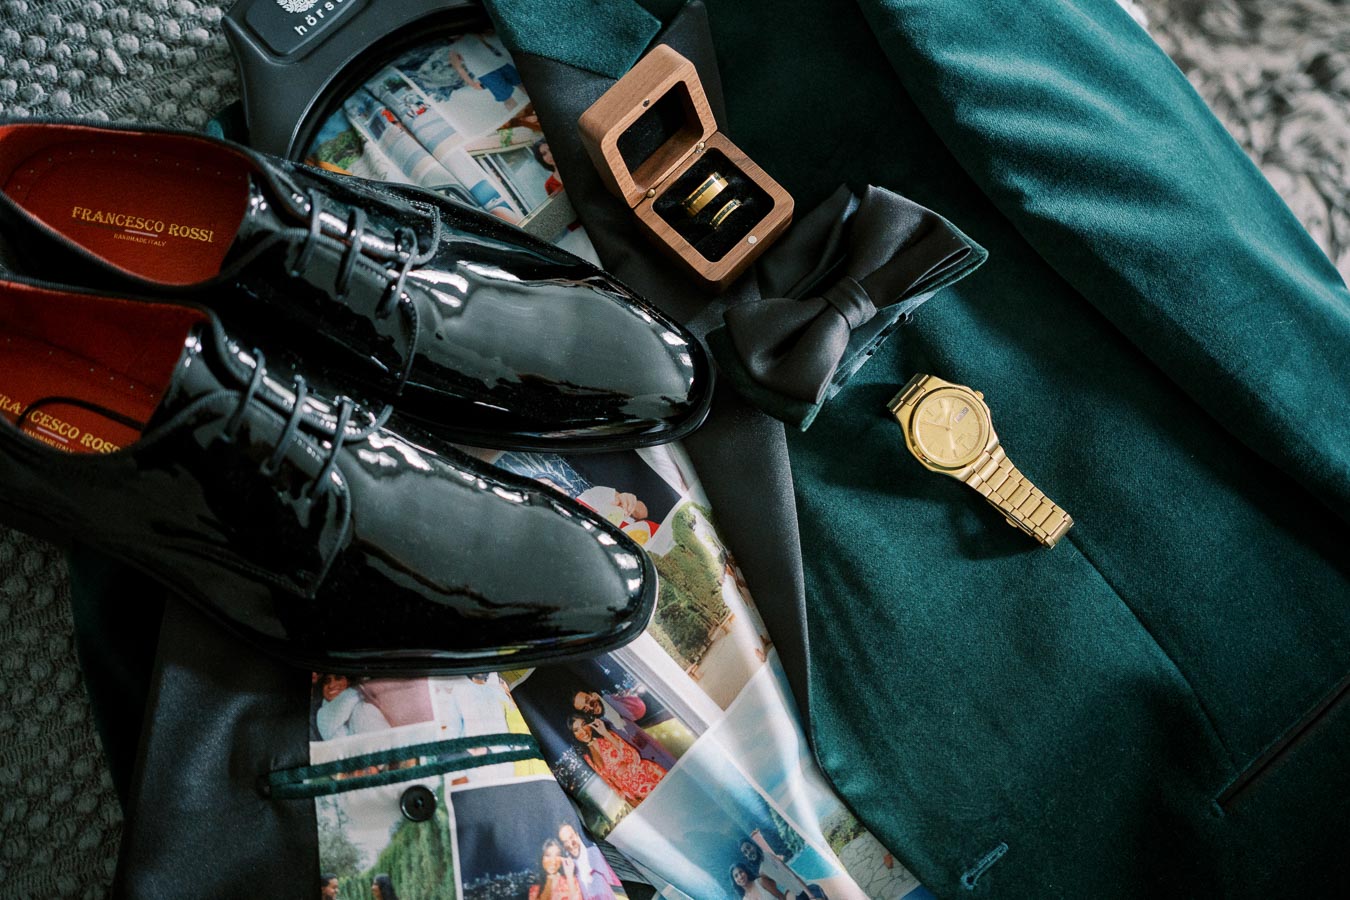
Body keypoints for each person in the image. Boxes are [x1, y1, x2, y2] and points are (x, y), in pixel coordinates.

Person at [567, 713, 667, 806]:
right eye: (576, 730)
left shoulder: (606, 737)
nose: (583, 732)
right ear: (573, 735)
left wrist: (605, 733)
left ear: (589, 724)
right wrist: (628, 799)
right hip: (633, 793)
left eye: (584, 724)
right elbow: (609, 782)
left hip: (647, 777)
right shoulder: (587, 757)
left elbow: (633, 757)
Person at [570, 690, 675, 768]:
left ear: (592, 695)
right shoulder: (599, 728)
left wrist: (606, 701)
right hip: (643, 767)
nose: (590, 707)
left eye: (588, 700)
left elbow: (639, 709)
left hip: (656, 752)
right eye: (585, 708)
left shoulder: (611, 701)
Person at [740, 834, 820, 900]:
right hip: (798, 894)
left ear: (753, 845)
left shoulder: (768, 855)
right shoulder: (761, 872)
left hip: (806, 887)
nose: (749, 852)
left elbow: (791, 873)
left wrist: (810, 895)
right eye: (745, 852)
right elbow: (777, 887)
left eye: (748, 847)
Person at [316, 674, 391, 741]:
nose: (331, 685)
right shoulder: (320, 714)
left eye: (338, 678)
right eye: (326, 681)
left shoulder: (363, 709)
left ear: (348, 682)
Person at [558, 821, 621, 900]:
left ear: (577, 835)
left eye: (571, 837)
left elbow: (618, 884)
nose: (570, 844)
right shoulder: (568, 869)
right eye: (565, 842)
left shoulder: (596, 853)